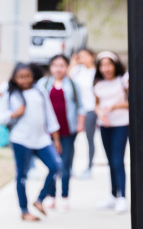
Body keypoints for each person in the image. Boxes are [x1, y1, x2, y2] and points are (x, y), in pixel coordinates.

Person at [0, 62, 62, 221]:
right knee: (22, 175)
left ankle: (40, 199)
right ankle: (24, 210)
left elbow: (50, 117)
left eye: (27, 76)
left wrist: (56, 139)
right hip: (21, 139)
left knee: (56, 166)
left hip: (42, 139)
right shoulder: (10, 94)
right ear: (14, 78)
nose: (24, 80)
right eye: (20, 77)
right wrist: (14, 114)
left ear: (33, 76)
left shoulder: (40, 91)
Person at [36, 54, 83, 210]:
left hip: (67, 130)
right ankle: (51, 195)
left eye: (62, 65)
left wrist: (80, 124)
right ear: (50, 67)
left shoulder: (73, 85)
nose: (58, 69)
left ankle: (64, 195)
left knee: (65, 163)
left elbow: (81, 106)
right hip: (48, 132)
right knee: (52, 164)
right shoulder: (43, 84)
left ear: (67, 67)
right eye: (55, 65)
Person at [93, 51, 129, 214]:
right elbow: (96, 104)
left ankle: (123, 196)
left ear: (115, 65)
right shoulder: (97, 83)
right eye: (102, 65)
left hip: (121, 124)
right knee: (109, 161)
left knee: (117, 160)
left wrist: (114, 106)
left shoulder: (123, 81)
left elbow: (132, 101)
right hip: (105, 126)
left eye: (108, 65)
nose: (105, 69)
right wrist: (100, 113)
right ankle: (113, 195)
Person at [69, 49, 99, 179]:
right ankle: (69, 167)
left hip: (91, 109)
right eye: (80, 57)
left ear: (92, 57)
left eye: (85, 56)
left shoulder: (97, 72)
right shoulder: (77, 70)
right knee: (71, 139)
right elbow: (67, 79)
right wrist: (73, 63)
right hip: (78, 110)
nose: (83, 59)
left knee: (89, 139)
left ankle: (89, 167)